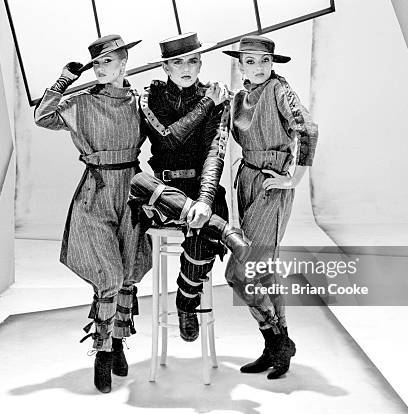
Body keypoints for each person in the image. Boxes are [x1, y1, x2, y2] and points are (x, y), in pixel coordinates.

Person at [34, 34, 151, 393]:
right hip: (96, 189)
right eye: (96, 63)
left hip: (133, 187)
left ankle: (118, 342)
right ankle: (101, 352)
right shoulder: (81, 103)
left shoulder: (139, 102)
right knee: (109, 274)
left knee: (129, 270)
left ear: (124, 62)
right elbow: (42, 117)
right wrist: (62, 81)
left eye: (108, 61)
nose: (101, 68)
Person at [128, 32, 250, 343]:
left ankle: (186, 302)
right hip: (161, 192)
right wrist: (208, 102)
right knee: (139, 181)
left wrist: (206, 200)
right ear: (166, 67)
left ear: (200, 63)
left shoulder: (216, 100)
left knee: (200, 237)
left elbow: (214, 153)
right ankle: (223, 229)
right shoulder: (149, 98)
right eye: (178, 62)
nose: (186, 68)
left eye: (193, 61)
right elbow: (169, 138)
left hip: (200, 190)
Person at [222, 35, 319, 379]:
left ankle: (277, 340)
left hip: (271, 183)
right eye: (250, 61)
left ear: (273, 63)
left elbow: (307, 129)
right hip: (246, 180)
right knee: (265, 271)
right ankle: (276, 349)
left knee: (240, 270)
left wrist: (293, 179)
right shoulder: (240, 97)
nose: (259, 67)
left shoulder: (280, 91)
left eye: (265, 60)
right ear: (240, 64)